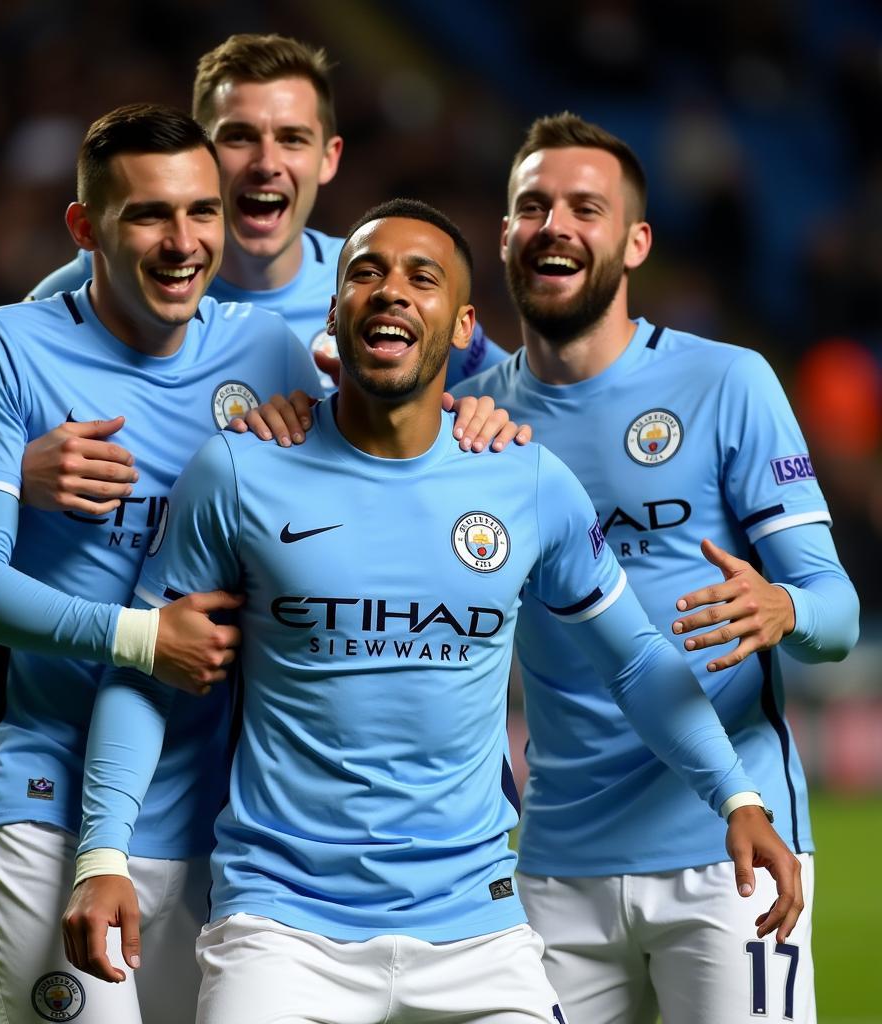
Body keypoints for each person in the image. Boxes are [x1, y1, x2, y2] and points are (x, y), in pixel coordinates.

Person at [63, 199, 801, 1024]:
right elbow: (150, 672)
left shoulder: (525, 480)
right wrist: (103, 852)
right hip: (281, 927)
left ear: (460, 326)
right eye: (366, 274)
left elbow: (633, 658)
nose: (391, 292)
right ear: (335, 312)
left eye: (424, 278)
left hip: (476, 932)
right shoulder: (238, 470)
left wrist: (737, 798)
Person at [448, 113, 859, 1024]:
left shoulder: (727, 384)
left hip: (729, 850)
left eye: (585, 207)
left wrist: (782, 607)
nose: (556, 223)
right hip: (554, 863)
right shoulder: (464, 424)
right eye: (533, 206)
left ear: (634, 242)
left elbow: (837, 608)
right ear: (507, 235)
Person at [0, 103, 327, 1024]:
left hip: (203, 814)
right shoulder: (7, 346)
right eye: (148, 215)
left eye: (201, 212)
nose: (181, 242)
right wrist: (147, 637)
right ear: (85, 228)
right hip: (33, 797)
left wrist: (480, 420)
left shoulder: (265, 352)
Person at [27, 33, 507, 397]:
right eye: (239, 137)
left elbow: (526, 392)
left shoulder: (382, 286)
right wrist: (25, 473)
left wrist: (482, 412)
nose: (266, 164)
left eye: (293, 139)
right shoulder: (98, 284)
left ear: (328, 158)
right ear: (200, 154)